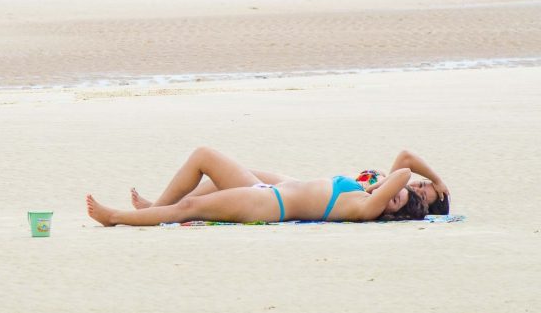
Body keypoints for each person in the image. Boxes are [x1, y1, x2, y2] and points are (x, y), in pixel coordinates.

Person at [86, 147, 429, 227]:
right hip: (269, 192)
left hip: (270, 205)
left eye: (394, 200)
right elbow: (401, 167)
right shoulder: (364, 192)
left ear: (388, 211)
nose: (389, 192)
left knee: (189, 208)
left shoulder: (367, 208)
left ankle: (114, 217)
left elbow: (402, 170)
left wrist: (397, 188)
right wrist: (433, 185)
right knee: (204, 156)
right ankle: (155, 208)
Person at [130, 149, 450, 214]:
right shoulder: (387, 186)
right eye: (422, 184)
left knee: (220, 179)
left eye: (424, 194)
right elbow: (405, 159)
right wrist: (438, 181)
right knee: (221, 179)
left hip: (295, 195)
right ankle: (158, 206)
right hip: (299, 185)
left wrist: (433, 184)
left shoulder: (385, 198)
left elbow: (404, 166)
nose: (419, 188)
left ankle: (154, 210)